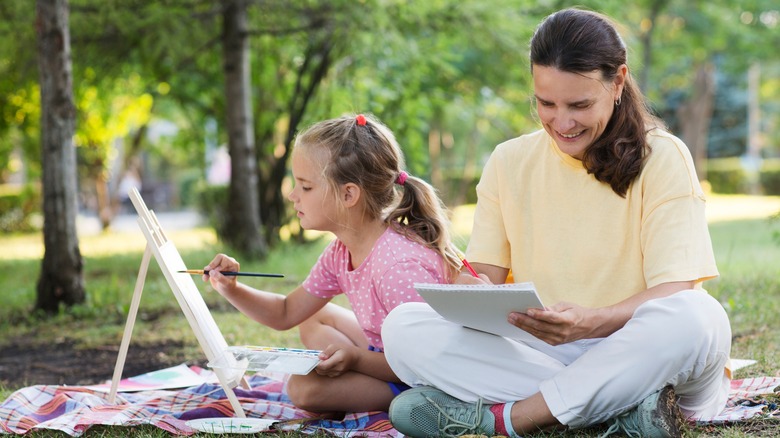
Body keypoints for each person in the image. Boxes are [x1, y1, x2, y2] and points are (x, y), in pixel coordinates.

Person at [382, 8, 731, 438]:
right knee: (403, 327)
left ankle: (508, 419)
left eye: (580, 105)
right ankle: (623, 408)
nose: (561, 123)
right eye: (546, 103)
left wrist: (594, 322)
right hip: (546, 355)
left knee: (698, 315)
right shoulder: (508, 162)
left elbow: (676, 289)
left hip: (645, 349)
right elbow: (484, 276)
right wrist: (471, 292)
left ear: (618, 81)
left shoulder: (664, 157)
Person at [203, 113, 460, 415]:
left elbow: (427, 362)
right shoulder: (340, 251)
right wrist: (230, 287)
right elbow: (287, 312)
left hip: (425, 378)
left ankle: (414, 403)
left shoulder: (397, 268)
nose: (292, 195)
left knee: (303, 389)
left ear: (348, 194)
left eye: (306, 187)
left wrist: (355, 359)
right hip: (389, 354)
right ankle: (356, 384)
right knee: (313, 317)